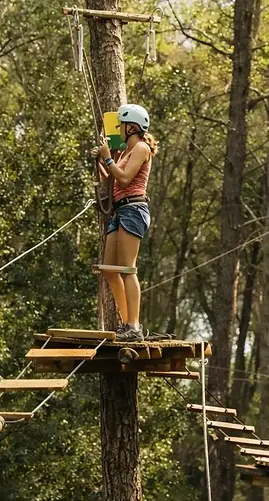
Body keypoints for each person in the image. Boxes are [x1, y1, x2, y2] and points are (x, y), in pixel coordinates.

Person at [91, 103, 157, 342]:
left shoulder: (140, 148)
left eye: (122, 125)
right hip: (120, 211)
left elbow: (126, 178)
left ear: (132, 127)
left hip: (133, 208)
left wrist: (109, 159)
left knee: (128, 269)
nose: (119, 129)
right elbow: (112, 179)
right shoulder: (126, 153)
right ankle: (126, 321)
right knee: (110, 270)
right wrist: (101, 161)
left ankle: (134, 325)